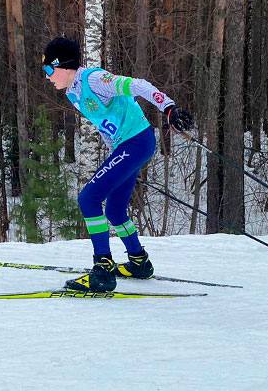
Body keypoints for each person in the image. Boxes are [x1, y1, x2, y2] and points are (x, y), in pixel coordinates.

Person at [42, 37, 194, 292]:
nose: (47, 77)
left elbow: (139, 85)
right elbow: (106, 124)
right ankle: (139, 262)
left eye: (49, 70)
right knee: (114, 211)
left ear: (64, 66)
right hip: (130, 146)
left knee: (88, 199)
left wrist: (169, 108)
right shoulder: (72, 92)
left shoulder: (93, 79)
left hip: (135, 142)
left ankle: (103, 270)